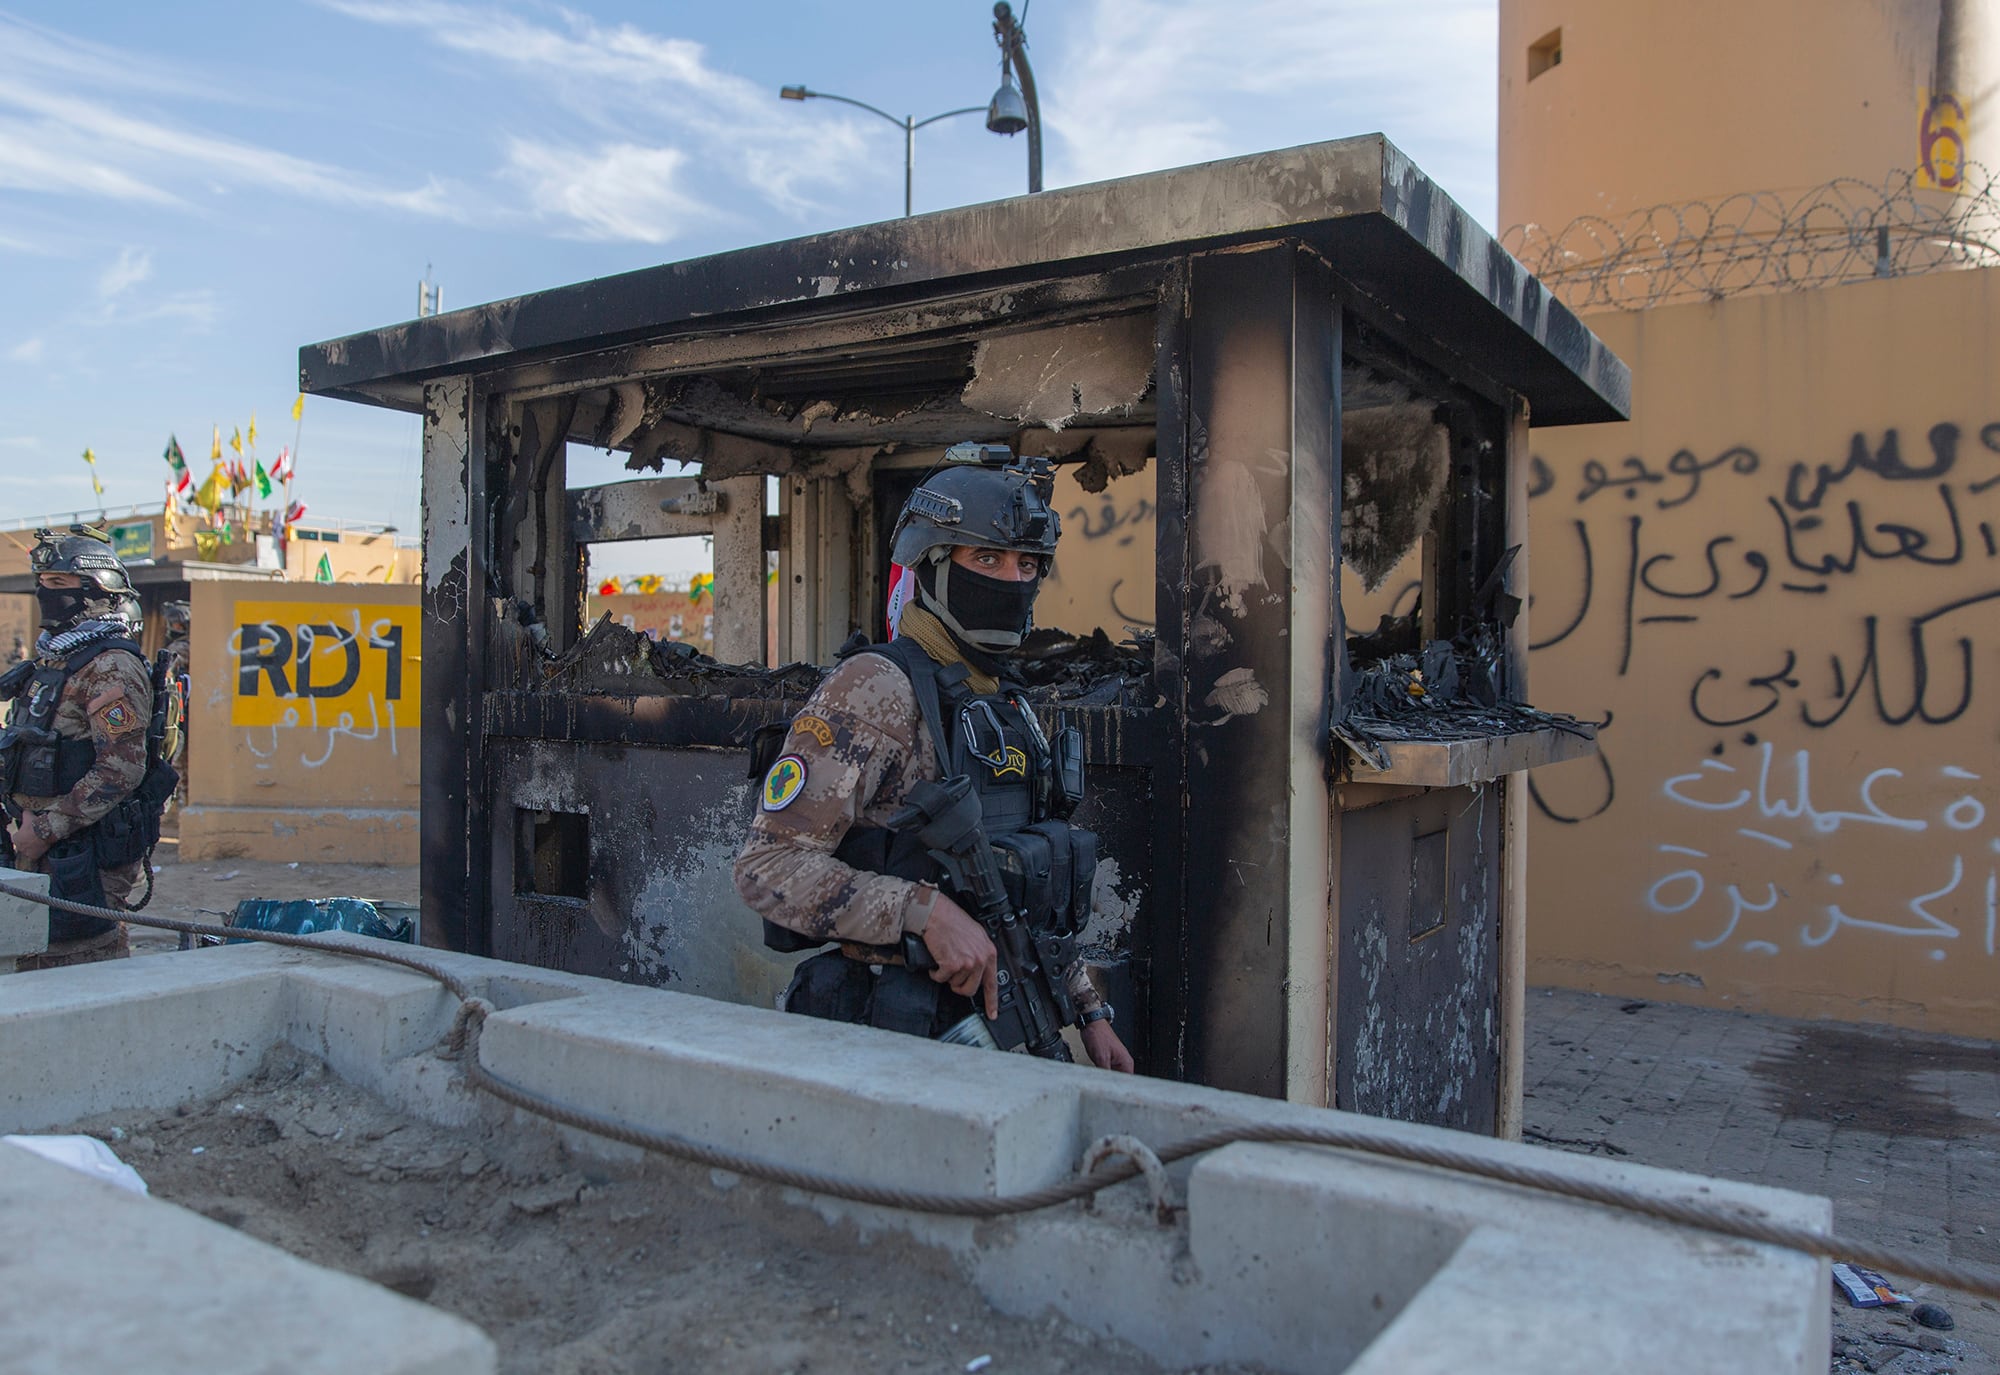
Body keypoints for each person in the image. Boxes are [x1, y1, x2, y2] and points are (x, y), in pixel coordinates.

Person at [735, 448, 1134, 1072]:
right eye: (986, 558)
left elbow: (1025, 891)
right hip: (883, 1034)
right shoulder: (877, 687)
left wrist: (1088, 1012)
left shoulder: (1005, 699)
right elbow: (767, 867)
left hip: (990, 1029)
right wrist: (923, 911)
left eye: (1027, 564)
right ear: (934, 564)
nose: (1010, 579)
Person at [0, 527, 162, 969]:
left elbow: (120, 770)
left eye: (57, 584)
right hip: (33, 844)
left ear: (95, 590)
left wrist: (45, 830)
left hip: (81, 851)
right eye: (42, 582)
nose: (43, 592)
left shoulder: (111, 667)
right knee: (28, 958)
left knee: (79, 961)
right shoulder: (54, 660)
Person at [161, 600, 191, 810]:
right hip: (184, 709)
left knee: (179, 762)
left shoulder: (182, 646)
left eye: (178, 624)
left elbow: (166, 671)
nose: (174, 628)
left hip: (183, 711)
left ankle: (183, 807)